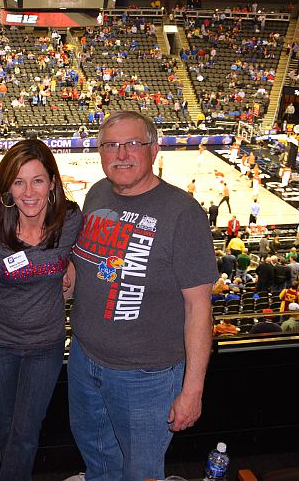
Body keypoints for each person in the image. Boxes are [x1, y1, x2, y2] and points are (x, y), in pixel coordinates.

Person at [67, 111, 218, 481]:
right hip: (85, 360)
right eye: (110, 145)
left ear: (153, 148)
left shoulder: (182, 213)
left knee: (141, 471)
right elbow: (89, 260)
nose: (121, 154)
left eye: (132, 143)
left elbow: (199, 306)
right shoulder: (97, 192)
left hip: (146, 377)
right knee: (98, 459)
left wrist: (193, 390)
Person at [0, 139, 81, 480]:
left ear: (52, 182)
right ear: (7, 187)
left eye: (37, 180)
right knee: (5, 428)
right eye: (19, 181)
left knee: (25, 434)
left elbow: (87, 256)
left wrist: (73, 267)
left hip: (45, 346)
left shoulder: (70, 219)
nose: (29, 192)